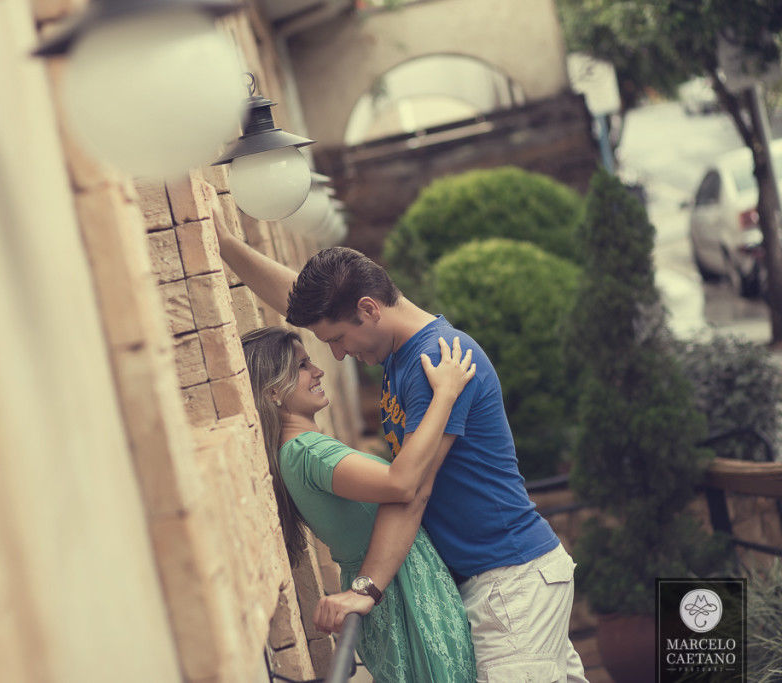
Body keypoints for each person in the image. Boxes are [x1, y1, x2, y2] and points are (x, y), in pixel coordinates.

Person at [215, 219, 587, 682]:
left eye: (335, 340)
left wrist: (364, 590)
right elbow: (308, 302)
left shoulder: (437, 361)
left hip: (507, 583)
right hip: (495, 582)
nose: (335, 355)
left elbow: (410, 492)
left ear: (368, 310)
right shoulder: (398, 349)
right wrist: (226, 244)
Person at [241, 326, 477, 682]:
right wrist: (445, 394)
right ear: (274, 391)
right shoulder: (310, 453)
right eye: (303, 366)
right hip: (401, 591)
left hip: (394, 587)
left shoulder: (295, 454)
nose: (318, 370)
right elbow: (402, 483)